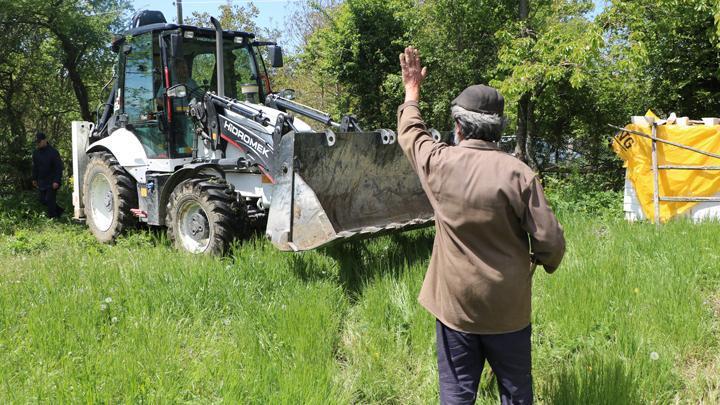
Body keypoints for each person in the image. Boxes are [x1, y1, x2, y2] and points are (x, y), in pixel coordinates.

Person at [397, 46, 566, 404]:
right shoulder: (518, 173)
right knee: (516, 393)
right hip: (508, 311)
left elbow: (411, 133)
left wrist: (412, 92)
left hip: (456, 310)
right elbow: (550, 240)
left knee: (457, 394)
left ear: (458, 126)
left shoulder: (439, 164)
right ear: (498, 129)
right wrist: (543, 262)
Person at [32, 132, 65, 218]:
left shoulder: (53, 152)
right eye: (37, 142)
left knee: (50, 200)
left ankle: (53, 218)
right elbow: (35, 167)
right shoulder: (36, 153)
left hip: (52, 181)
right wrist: (34, 179)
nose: (38, 143)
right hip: (41, 181)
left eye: (39, 141)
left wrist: (56, 181)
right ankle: (59, 211)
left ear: (45, 140)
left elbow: (59, 167)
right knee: (42, 200)